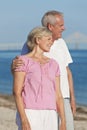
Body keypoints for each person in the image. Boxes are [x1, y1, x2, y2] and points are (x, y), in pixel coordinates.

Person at [12, 10, 76, 130]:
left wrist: (72, 98)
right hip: (34, 105)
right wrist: (14, 66)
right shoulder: (28, 47)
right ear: (50, 26)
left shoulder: (61, 45)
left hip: (61, 98)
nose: (64, 28)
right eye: (61, 25)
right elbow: (22, 69)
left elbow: (67, 71)